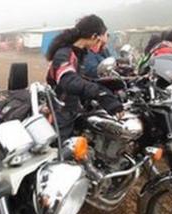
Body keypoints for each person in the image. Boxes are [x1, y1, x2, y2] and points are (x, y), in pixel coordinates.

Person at [46, 14, 124, 142]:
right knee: (63, 153)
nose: (103, 41)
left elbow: (83, 78)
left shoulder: (80, 53)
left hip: (76, 108)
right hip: (61, 111)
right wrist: (101, 94)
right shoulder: (64, 54)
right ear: (94, 36)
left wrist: (110, 86)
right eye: (101, 37)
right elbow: (69, 80)